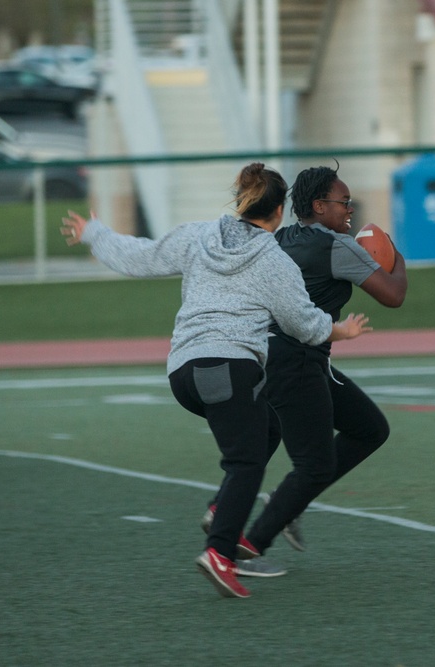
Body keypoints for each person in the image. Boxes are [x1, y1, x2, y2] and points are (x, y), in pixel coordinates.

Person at [59, 162, 370, 598]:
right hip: (228, 369)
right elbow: (303, 324)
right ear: (279, 210)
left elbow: (140, 257)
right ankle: (220, 553)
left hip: (184, 371)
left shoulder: (198, 235)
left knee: (269, 429)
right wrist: (343, 330)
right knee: (245, 463)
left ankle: (222, 508)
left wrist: (96, 233)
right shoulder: (272, 260)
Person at [241, 163, 408, 560]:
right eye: (343, 203)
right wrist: (396, 257)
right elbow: (393, 295)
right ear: (319, 205)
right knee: (312, 465)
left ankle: (259, 511)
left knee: (368, 429)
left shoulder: (281, 239)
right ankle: (244, 546)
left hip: (270, 355)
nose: (350, 210)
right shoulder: (337, 245)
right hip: (296, 360)